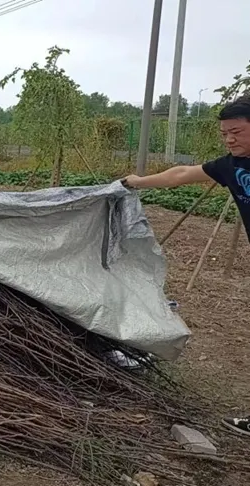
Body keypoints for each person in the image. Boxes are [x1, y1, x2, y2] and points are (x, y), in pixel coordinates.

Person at [121, 96, 250, 436]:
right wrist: (138, 181)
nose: (229, 139)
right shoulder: (230, 166)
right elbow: (181, 173)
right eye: (224, 134)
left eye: (236, 132)